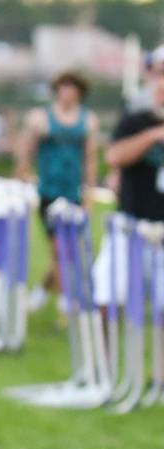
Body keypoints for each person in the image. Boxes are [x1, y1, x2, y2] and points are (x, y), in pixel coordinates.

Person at [16, 70, 98, 310]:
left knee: (69, 247)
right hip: (48, 191)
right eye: (64, 87)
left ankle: (42, 290)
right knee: (60, 247)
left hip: (73, 191)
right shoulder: (41, 118)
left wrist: (89, 193)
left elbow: (90, 158)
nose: (68, 92)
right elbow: (26, 148)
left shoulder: (88, 120)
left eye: (73, 87)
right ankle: (65, 297)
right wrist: (24, 173)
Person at [92, 47, 164, 308]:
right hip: (132, 217)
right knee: (109, 293)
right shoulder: (135, 116)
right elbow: (114, 156)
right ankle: (106, 348)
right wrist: (153, 136)